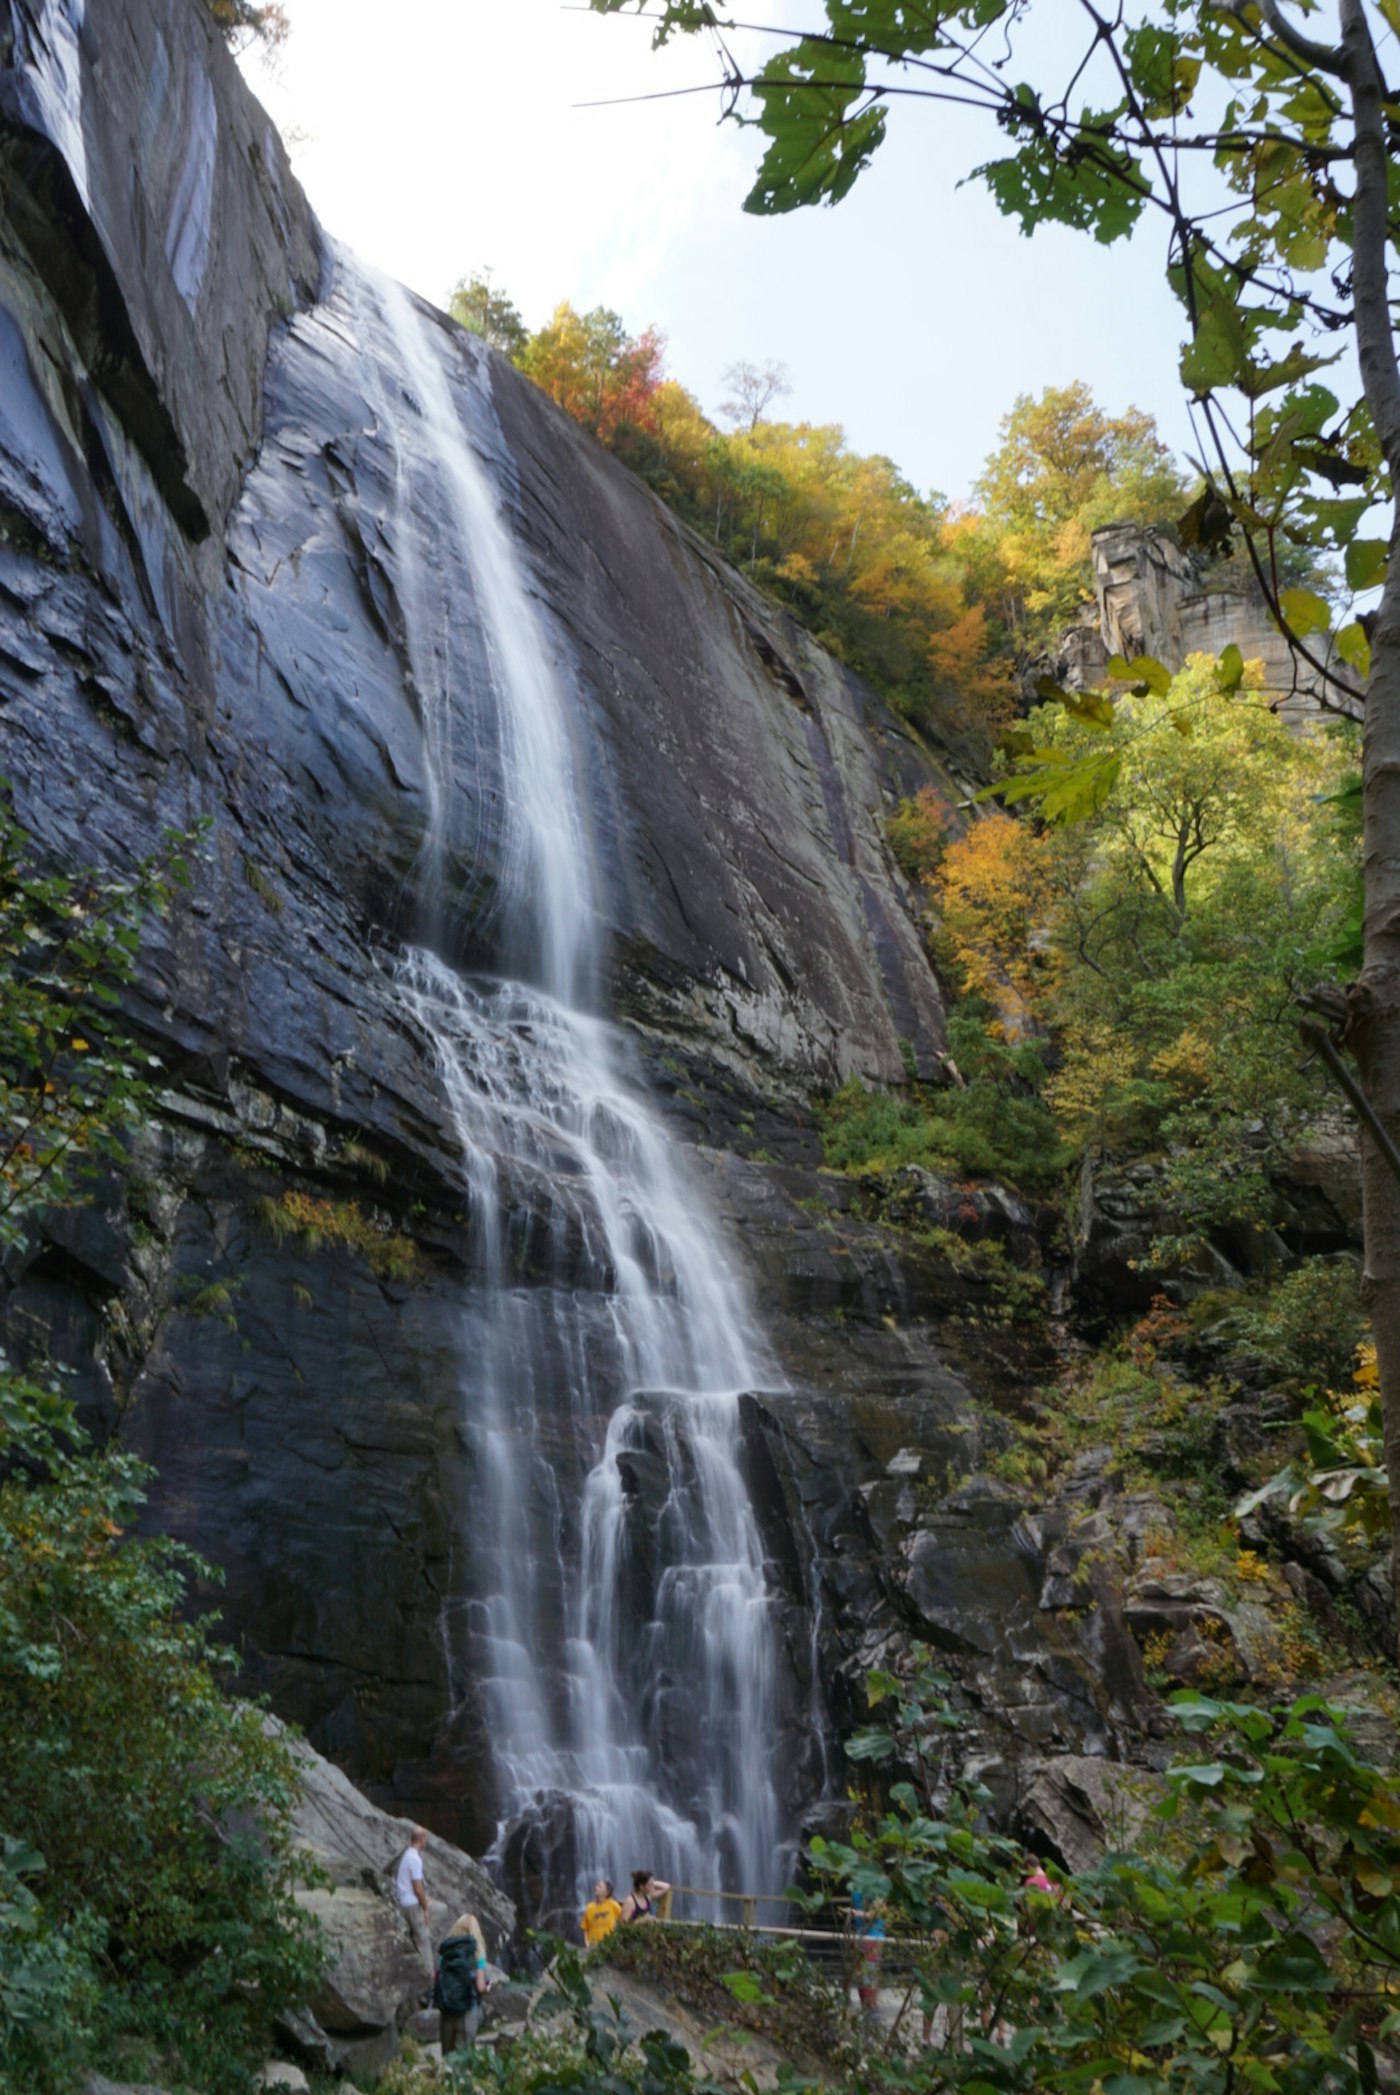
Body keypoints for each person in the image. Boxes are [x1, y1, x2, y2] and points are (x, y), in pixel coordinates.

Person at [433, 1911, 488, 2053]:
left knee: (448, 2059)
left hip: (447, 2011)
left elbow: (437, 1979)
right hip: (468, 2012)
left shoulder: (445, 1954)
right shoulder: (478, 1954)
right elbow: (480, 1987)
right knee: (463, 2060)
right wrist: (489, 1987)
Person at [394, 1825, 433, 1978]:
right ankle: (429, 1980)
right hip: (411, 1905)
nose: (426, 1842)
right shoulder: (415, 1859)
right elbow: (417, 1887)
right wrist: (425, 1908)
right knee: (424, 1942)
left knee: (441, 1908)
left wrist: (426, 1899)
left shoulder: (407, 1854)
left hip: (404, 1900)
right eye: (426, 1839)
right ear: (421, 1839)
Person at [581, 1877, 623, 1946]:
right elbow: (585, 1927)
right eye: (596, 1885)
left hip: (609, 1943)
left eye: (599, 1886)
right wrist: (587, 1942)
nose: (595, 1887)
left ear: (606, 1892)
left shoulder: (613, 1905)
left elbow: (624, 1918)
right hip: (593, 1944)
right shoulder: (589, 1907)